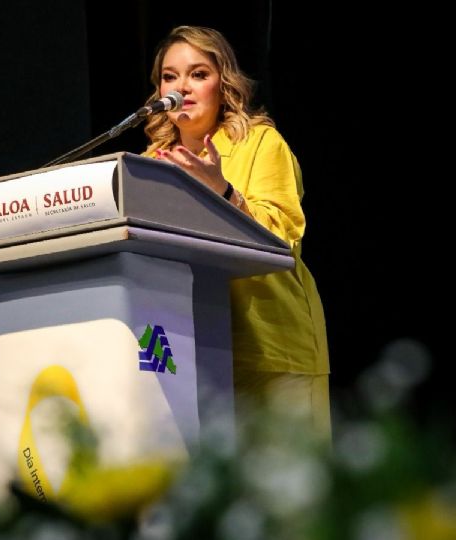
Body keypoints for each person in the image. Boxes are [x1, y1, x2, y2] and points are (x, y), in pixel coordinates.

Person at [144, 26, 331, 440]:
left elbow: (282, 237)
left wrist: (223, 191)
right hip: (187, 352)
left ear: (223, 84)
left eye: (198, 74)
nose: (182, 87)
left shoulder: (261, 144)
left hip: (270, 350)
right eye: (170, 76)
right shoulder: (146, 164)